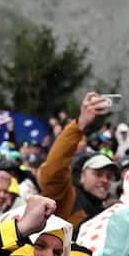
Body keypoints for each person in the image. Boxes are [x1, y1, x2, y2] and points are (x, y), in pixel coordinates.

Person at [38, 92, 118, 228]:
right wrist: (80, 125)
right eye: (98, 174)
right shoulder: (66, 197)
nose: (104, 180)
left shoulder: (109, 211)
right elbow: (53, 170)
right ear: (82, 176)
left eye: (109, 177)